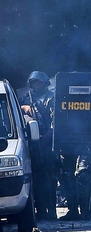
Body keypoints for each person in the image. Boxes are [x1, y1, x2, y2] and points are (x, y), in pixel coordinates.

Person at [17, 71, 57, 220]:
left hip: (47, 142)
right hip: (33, 142)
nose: (36, 85)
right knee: (36, 179)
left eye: (39, 83)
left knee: (49, 178)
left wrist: (47, 137)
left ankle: (51, 211)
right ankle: (40, 211)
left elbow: (55, 121)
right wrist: (25, 108)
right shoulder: (27, 97)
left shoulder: (51, 98)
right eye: (34, 83)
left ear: (45, 83)